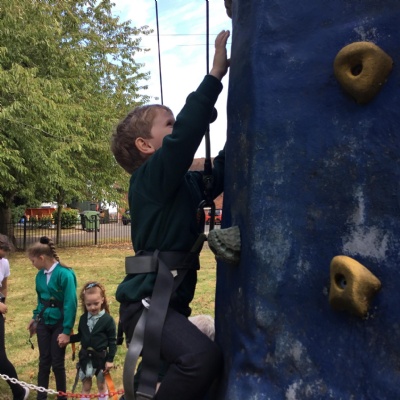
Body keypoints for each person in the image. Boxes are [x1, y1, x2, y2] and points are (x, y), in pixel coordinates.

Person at [111, 30, 230, 400]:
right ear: (145, 145)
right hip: (147, 305)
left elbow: (223, 170)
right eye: (170, 125)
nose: (177, 130)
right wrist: (214, 78)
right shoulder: (149, 181)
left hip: (169, 305)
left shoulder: (183, 185)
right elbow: (183, 143)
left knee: (163, 383)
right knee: (200, 358)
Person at [26, 236, 77, 400]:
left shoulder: (65, 274)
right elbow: (41, 300)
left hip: (59, 323)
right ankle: (41, 396)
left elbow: (70, 303)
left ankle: (62, 397)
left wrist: (67, 331)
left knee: (57, 363)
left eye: (33, 261)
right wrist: (35, 318)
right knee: (44, 361)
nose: (32, 264)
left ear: (41, 258)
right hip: (43, 322)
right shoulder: (39, 276)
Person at [69, 281, 117, 400]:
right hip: (85, 358)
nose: (92, 307)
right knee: (86, 386)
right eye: (89, 304)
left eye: (96, 303)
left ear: (102, 300)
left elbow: (112, 341)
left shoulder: (108, 320)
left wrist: (110, 360)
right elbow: (81, 336)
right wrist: (68, 339)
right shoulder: (83, 319)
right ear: (84, 303)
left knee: (101, 385)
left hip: (101, 359)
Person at [0, 235, 30, 400]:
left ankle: (19, 391)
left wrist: (2, 303)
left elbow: (3, 287)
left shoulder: (4, 263)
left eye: (3, 256)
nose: (2, 258)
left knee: (0, 357)